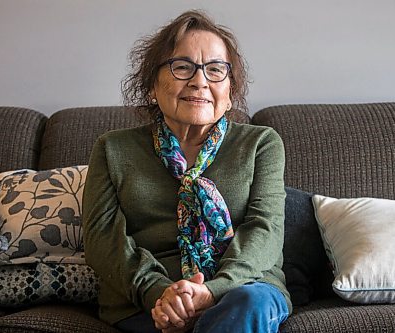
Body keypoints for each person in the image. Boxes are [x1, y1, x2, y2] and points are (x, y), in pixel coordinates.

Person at [83, 10, 291, 333]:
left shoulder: (261, 144)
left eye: (215, 69)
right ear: (152, 85)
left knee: (249, 306)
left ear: (230, 91)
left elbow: (266, 230)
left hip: (244, 289)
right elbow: (102, 240)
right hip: (147, 303)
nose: (199, 81)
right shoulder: (112, 149)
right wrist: (161, 295)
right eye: (182, 67)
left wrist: (212, 291)